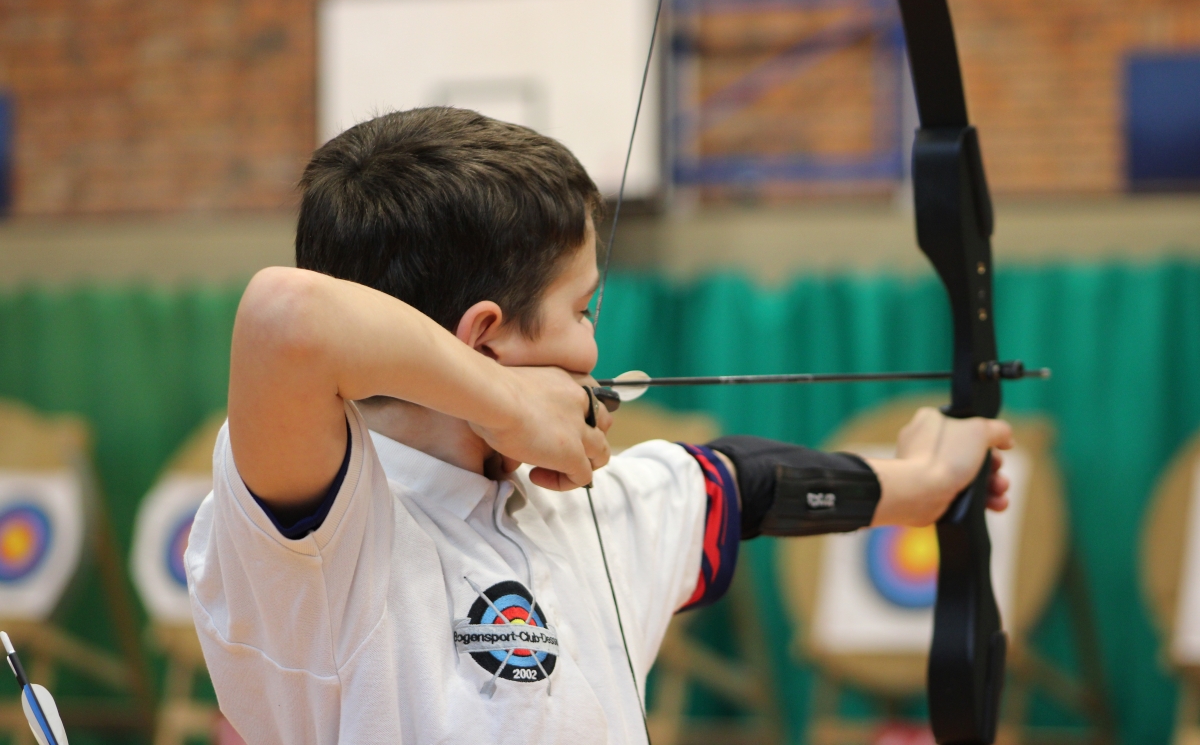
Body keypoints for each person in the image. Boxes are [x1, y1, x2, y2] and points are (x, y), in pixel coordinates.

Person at [185, 107, 1013, 744]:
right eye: (582, 310)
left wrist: (924, 483)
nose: (594, 346)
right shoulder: (324, 543)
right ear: (483, 337)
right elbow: (285, 318)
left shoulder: (578, 508)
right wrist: (505, 401)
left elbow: (741, 484)